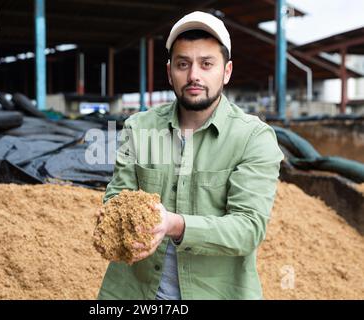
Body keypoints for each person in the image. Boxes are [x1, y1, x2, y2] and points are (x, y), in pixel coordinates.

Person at [97, 11, 284, 300]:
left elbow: (248, 228)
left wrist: (174, 224)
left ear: (227, 71)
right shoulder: (138, 128)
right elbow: (117, 199)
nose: (194, 75)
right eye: (183, 64)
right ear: (170, 71)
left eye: (206, 64)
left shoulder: (253, 138)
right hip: (134, 292)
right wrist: (116, 222)